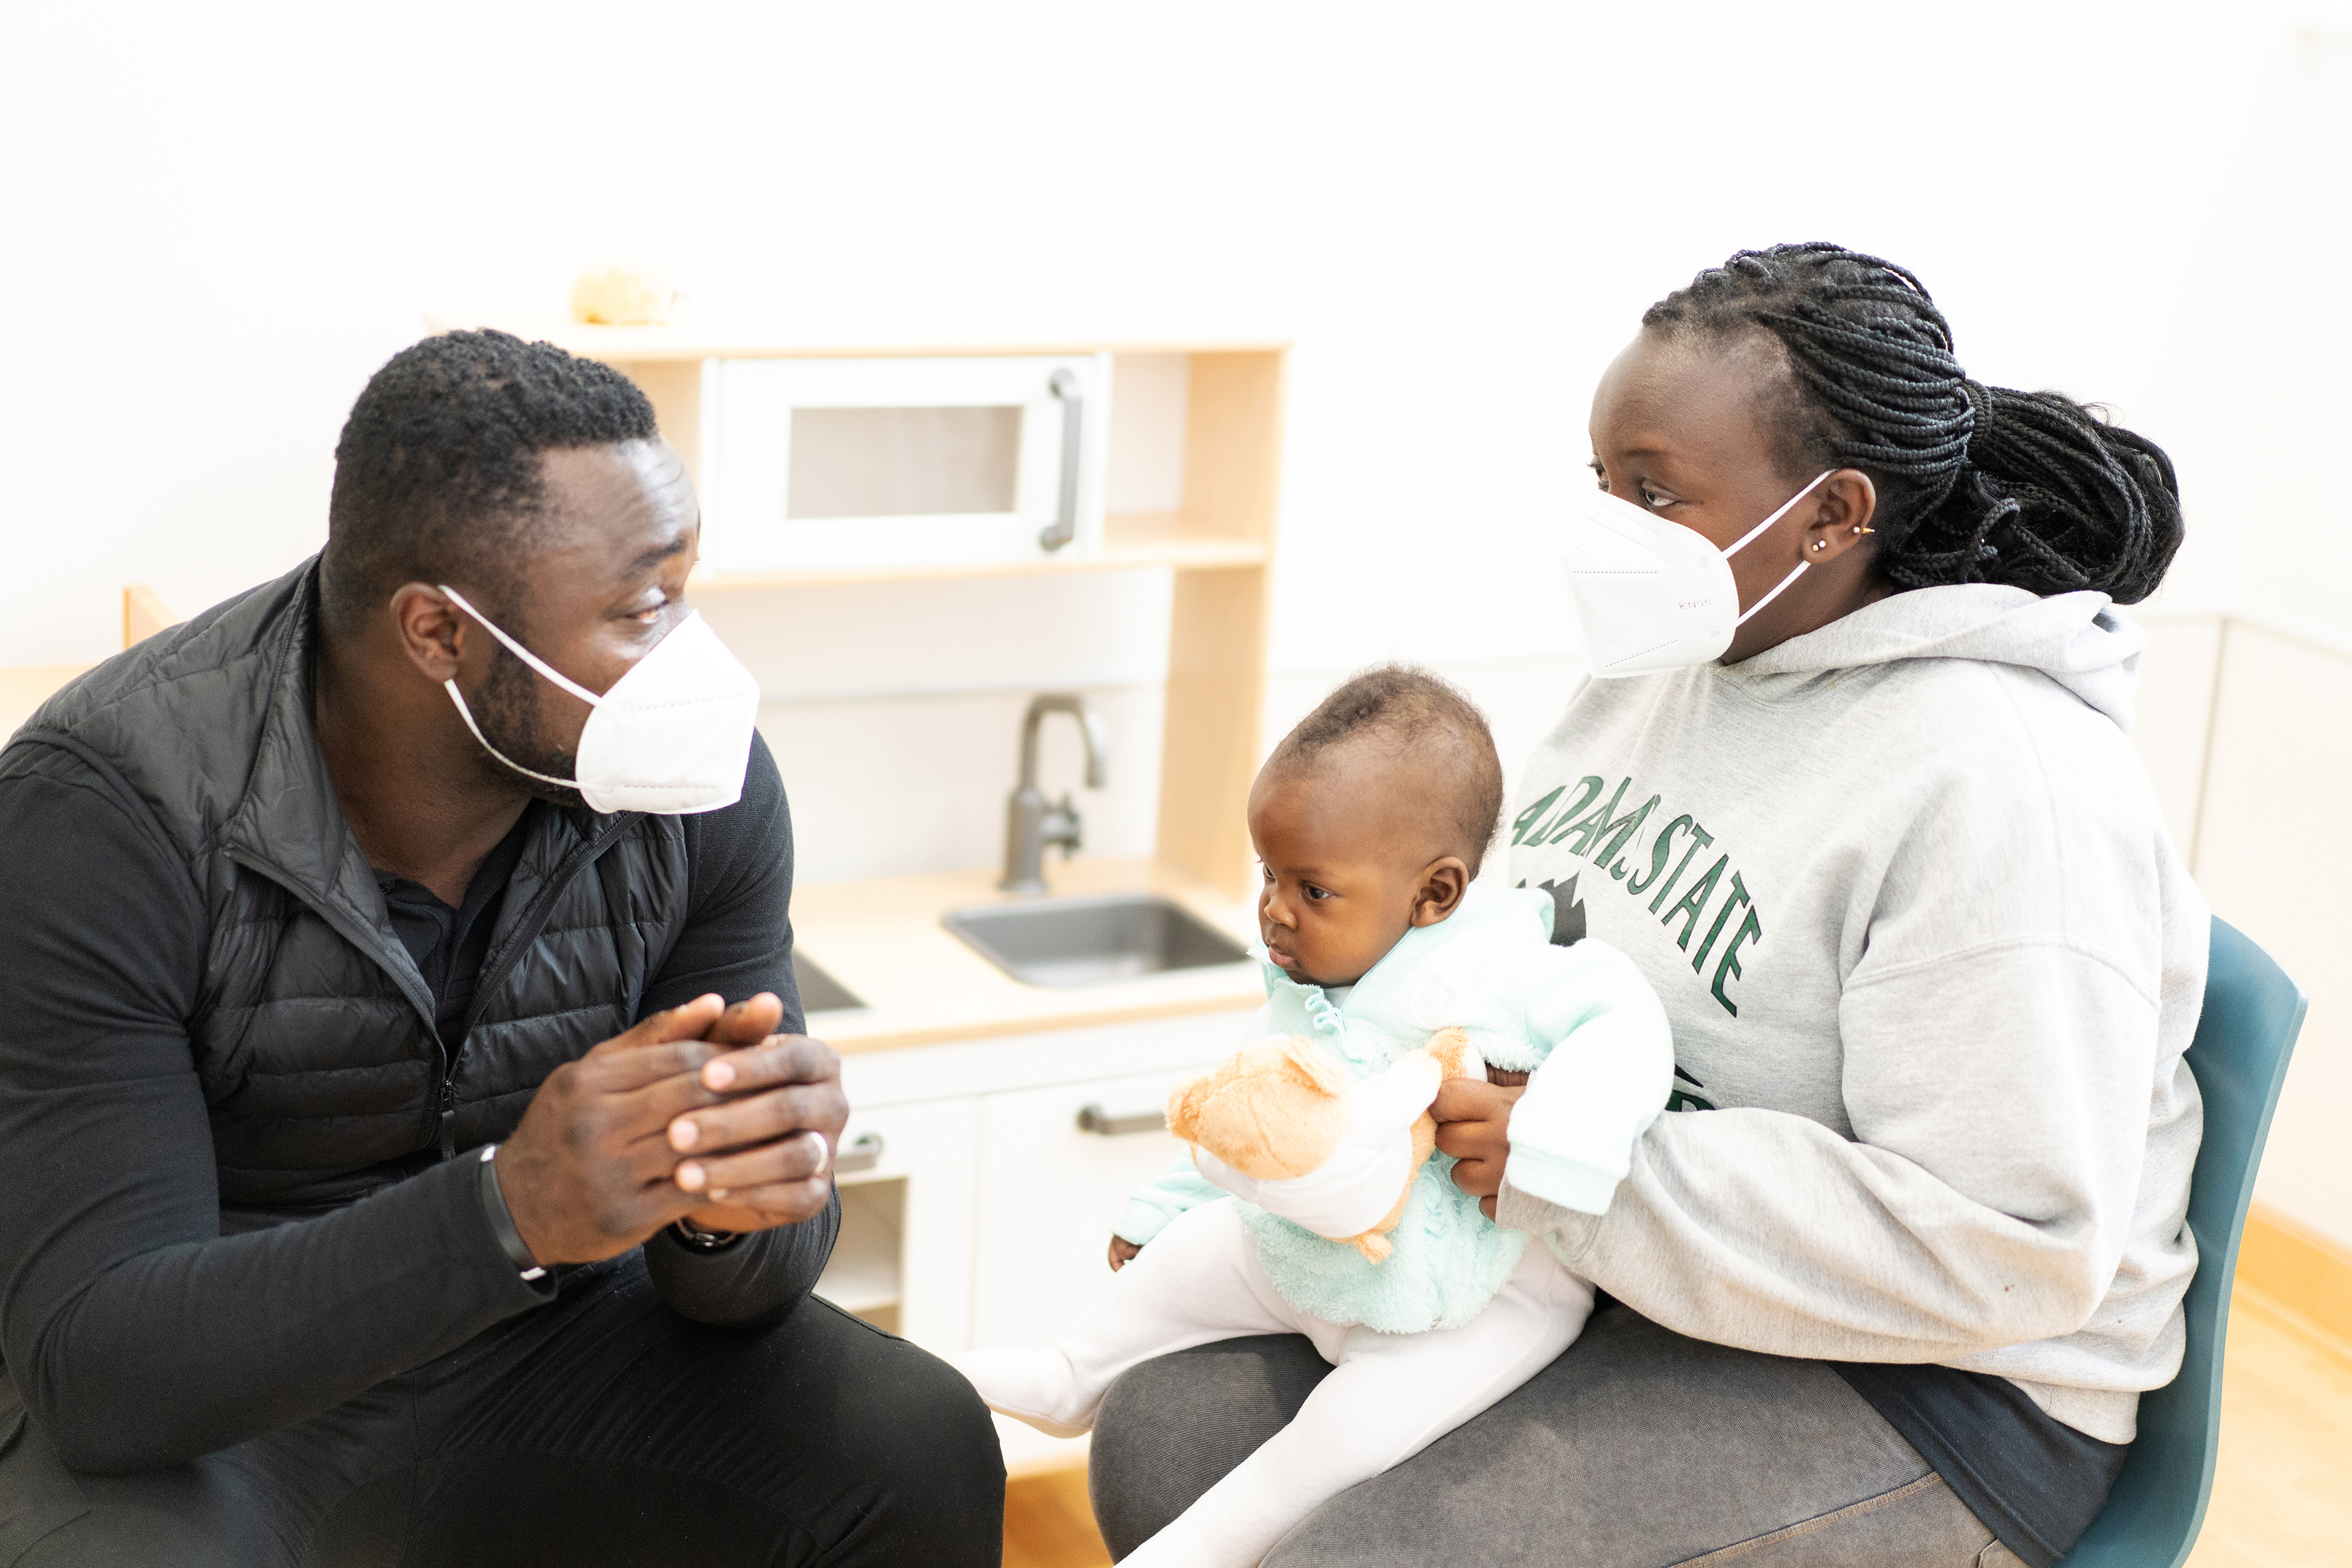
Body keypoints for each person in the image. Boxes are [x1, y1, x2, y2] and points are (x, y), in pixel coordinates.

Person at [1087, 244, 2203, 1568]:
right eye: (1604, 483)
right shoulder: (1664, 670)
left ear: (1831, 513)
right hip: (1624, 1263)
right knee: (1165, 1428)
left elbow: (2012, 1244)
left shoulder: (2006, 780)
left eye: (1655, 492)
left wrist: (1581, 1167)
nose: (1612, 529)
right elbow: (1508, 964)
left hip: (1941, 1386)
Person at [0, 331, 1001, 1566]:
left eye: (685, 589)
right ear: (439, 632)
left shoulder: (696, 785)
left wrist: (731, 1210)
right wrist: (509, 1208)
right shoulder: (104, 813)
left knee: (915, 1437)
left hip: (552, 1333)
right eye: (641, 608)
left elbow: (744, 1285)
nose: (692, 660)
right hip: (234, 1380)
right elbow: (102, 1369)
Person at [957, 669, 1670, 1566]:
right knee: (1196, 1254)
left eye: (1312, 890)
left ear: (1435, 893)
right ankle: (1073, 1375)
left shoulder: (1509, 963)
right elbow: (1257, 1115)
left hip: (1473, 1295)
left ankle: (1202, 1546)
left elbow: (1628, 1026)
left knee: (1349, 1433)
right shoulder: (1314, 982)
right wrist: (1169, 1207)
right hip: (1319, 1254)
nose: (1274, 910)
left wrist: (1558, 1151)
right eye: (1269, 875)